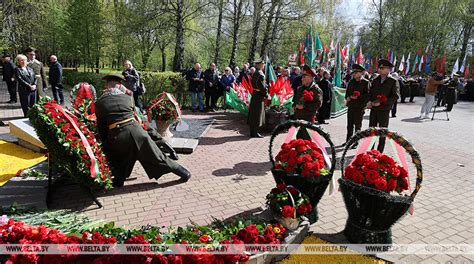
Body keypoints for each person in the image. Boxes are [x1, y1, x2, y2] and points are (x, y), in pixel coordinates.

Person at [95, 74, 191, 187]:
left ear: (106, 86)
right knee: (158, 157)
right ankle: (184, 173)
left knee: (118, 159)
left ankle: (118, 181)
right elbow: (138, 117)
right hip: (138, 133)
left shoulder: (99, 103)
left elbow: (102, 127)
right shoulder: (128, 98)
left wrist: (104, 142)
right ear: (120, 86)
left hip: (117, 135)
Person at [367, 59, 399, 152]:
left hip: (384, 110)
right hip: (374, 109)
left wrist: (383, 102)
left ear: (388, 69)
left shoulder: (392, 81)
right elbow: (370, 92)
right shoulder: (375, 80)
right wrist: (369, 101)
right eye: (379, 68)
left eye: (382, 68)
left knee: (382, 132)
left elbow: (395, 96)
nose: (379, 70)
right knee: (371, 130)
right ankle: (370, 150)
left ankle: (379, 152)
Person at [293, 65, 323, 140]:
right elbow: (295, 100)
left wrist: (304, 106)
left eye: (304, 77)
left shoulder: (316, 90)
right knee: (298, 142)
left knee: (307, 141)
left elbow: (318, 105)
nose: (302, 79)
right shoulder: (300, 88)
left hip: (308, 119)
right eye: (302, 77)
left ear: (310, 77)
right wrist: (294, 106)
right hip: (298, 119)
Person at [345, 64, 370, 144]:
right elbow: (347, 93)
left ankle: (355, 142)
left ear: (361, 73)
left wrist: (358, 98)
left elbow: (368, 95)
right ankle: (348, 141)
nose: (354, 74)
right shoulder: (351, 82)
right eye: (354, 72)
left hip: (359, 107)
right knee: (349, 126)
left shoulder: (365, 83)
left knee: (357, 126)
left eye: (356, 72)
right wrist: (348, 97)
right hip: (351, 106)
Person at [248, 58, 267, 138]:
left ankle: (253, 131)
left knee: (253, 114)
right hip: (259, 95)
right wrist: (266, 93)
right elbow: (262, 86)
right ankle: (255, 132)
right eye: (263, 64)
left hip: (255, 94)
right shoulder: (260, 74)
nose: (263, 65)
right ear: (259, 65)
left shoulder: (256, 73)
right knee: (257, 114)